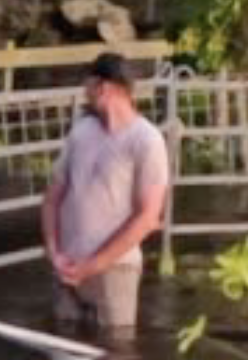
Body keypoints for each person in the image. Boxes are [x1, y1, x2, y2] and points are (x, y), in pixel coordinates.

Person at [43, 52, 171, 339]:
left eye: (87, 85)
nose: (84, 92)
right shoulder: (81, 131)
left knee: (115, 350)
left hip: (116, 271)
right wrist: (54, 251)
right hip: (67, 265)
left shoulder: (146, 140)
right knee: (62, 345)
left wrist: (92, 266)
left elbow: (148, 217)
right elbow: (52, 197)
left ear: (103, 88)